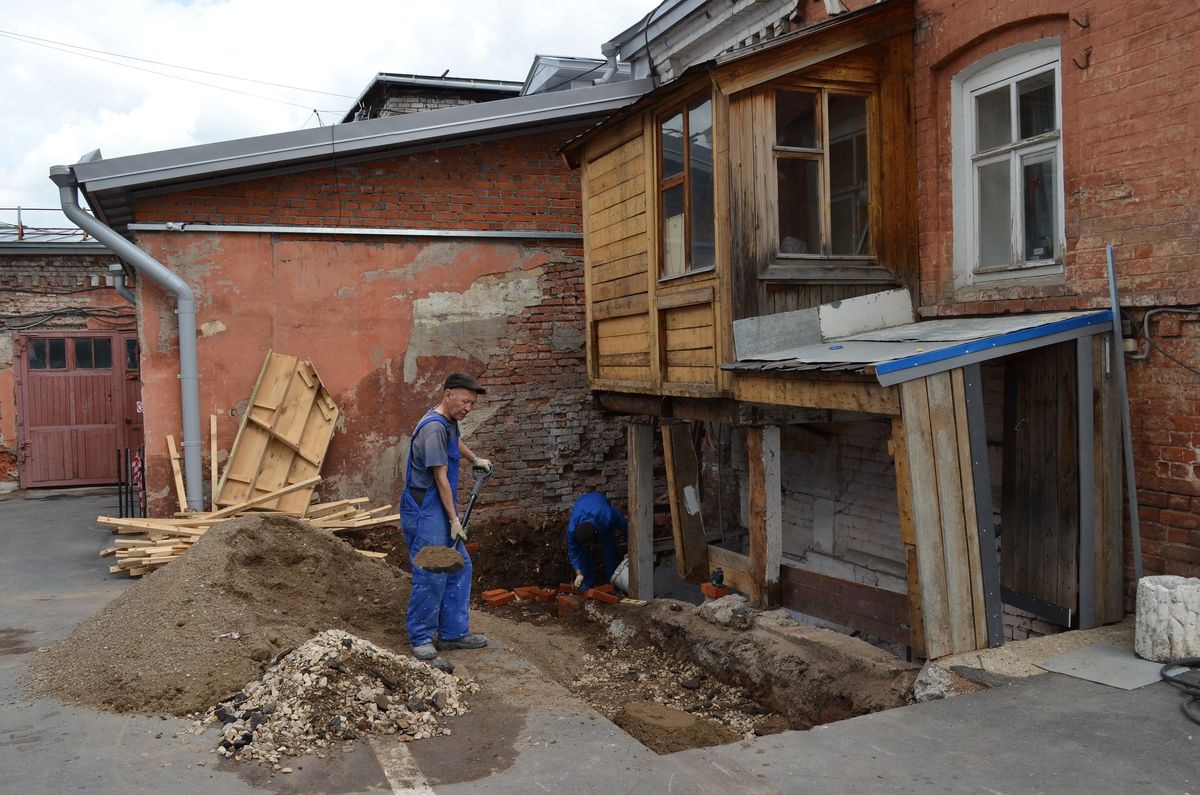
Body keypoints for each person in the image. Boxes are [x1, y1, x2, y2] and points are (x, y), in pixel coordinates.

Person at [400, 372, 493, 661]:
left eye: (472, 403)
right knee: (432, 572)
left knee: (460, 566)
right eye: (464, 401)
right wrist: (455, 520)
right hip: (425, 511)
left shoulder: (448, 422)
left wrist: (474, 459)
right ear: (448, 394)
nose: (468, 408)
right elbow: (440, 478)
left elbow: (455, 443)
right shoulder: (433, 429)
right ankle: (421, 638)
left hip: (438, 509)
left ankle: (453, 633)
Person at [566, 492, 628, 591]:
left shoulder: (608, 516)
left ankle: (612, 583)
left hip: (598, 505)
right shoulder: (572, 530)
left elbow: (625, 526)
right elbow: (573, 553)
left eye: (589, 543)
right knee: (583, 554)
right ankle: (588, 584)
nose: (589, 546)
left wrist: (629, 547)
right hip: (582, 504)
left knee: (610, 551)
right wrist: (579, 573)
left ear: (595, 535)